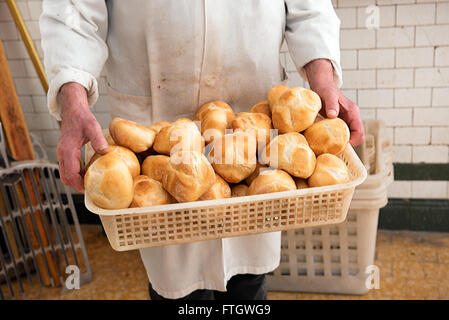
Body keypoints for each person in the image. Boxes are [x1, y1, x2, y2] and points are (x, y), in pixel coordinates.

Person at [40, 0, 364, 300]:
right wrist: (72, 100)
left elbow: (310, 8)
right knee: (178, 289)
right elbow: (72, 10)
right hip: (157, 131)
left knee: (249, 279)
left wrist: (323, 81)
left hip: (255, 130)